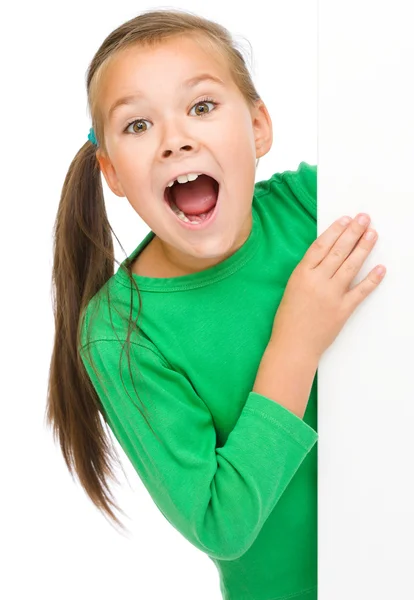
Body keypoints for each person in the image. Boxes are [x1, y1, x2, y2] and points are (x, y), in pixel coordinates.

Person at [45, 9, 386, 600]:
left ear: (258, 127)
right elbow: (219, 522)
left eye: (201, 107)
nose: (176, 139)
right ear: (112, 173)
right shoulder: (121, 332)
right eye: (138, 125)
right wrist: (295, 342)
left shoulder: (319, 204)